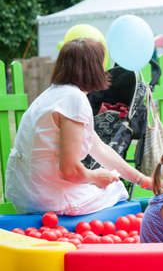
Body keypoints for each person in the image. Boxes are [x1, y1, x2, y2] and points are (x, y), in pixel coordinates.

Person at [5, 38, 154, 216]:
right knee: (117, 189)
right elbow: (71, 170)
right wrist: (96, 177)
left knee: (109, 184)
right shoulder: (74, 99)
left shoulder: (52, 94)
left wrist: (142, 180)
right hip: (46, 198)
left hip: (23, 194)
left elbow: (100, 149)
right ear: (93, 68)